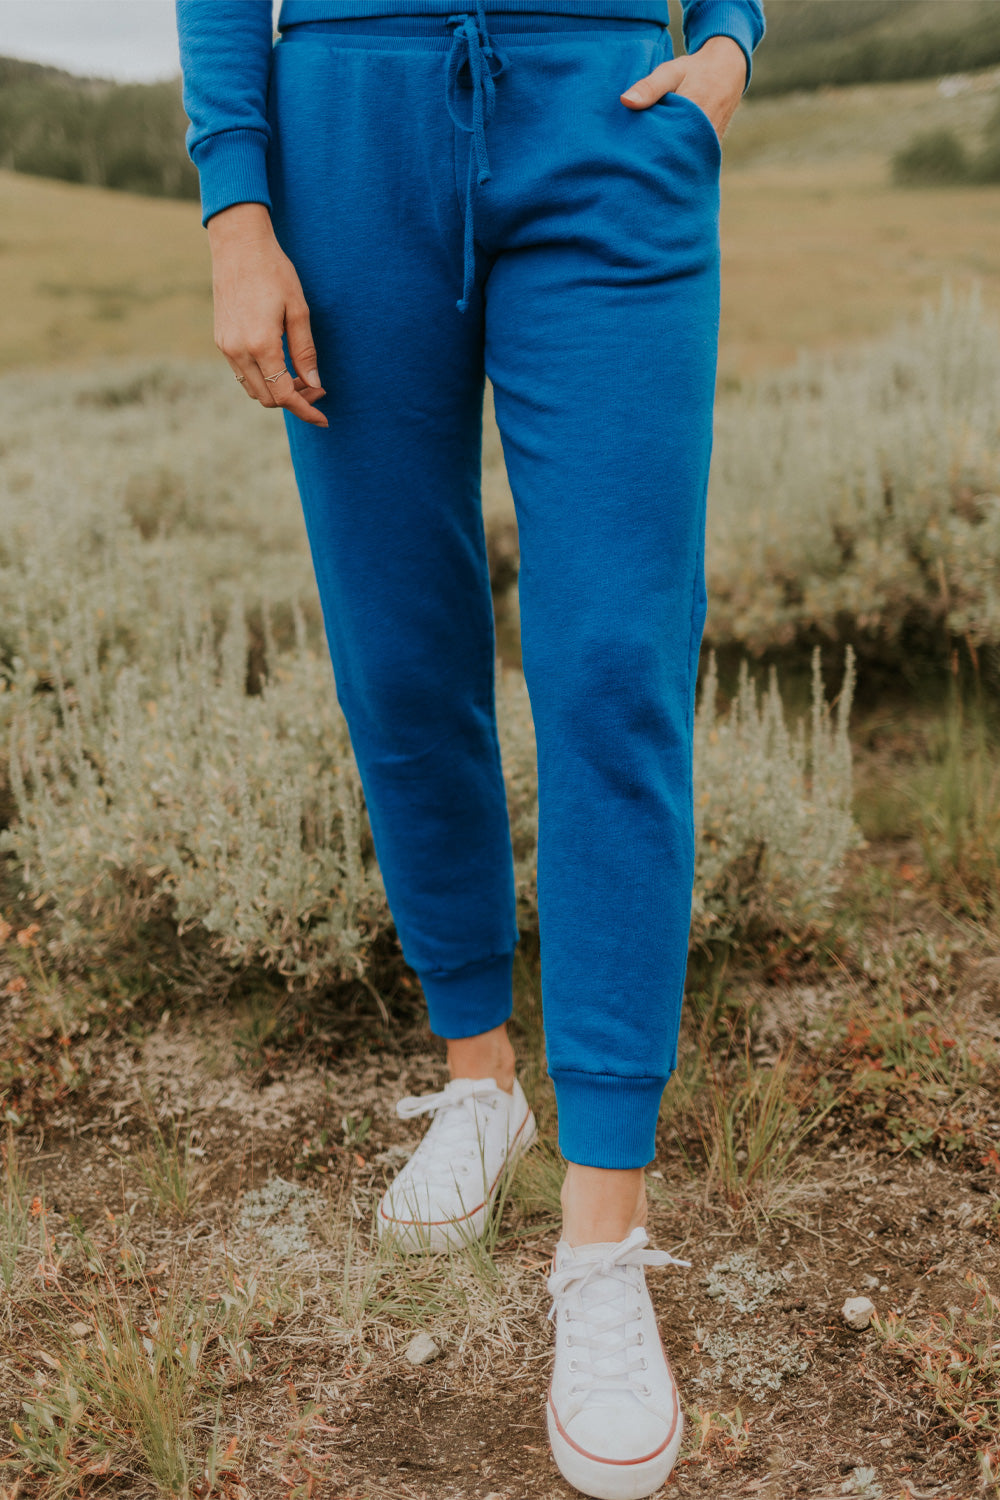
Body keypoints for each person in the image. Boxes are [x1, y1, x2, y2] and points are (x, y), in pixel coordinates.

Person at [175, 2, 765, 1494]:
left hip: (611, 110)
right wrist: (237, 205)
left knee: (616, 664)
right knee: (399, 645)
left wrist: (734, 44)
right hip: (348, 133)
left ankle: (604, 1249)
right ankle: (481, 1079)